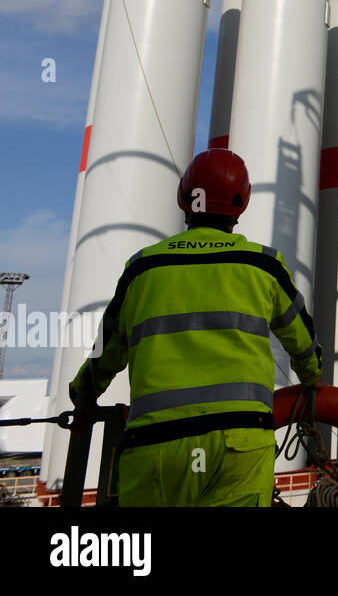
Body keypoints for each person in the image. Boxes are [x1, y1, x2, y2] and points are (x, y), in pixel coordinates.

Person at [69, 148, 323, 507]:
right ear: (242, 203)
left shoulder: (143, 268)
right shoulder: (263, 265)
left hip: (156, 446)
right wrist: (313, 379)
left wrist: (83, 393)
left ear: (183, 199)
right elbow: (303, 340)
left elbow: (107, 349)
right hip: (239, 445)